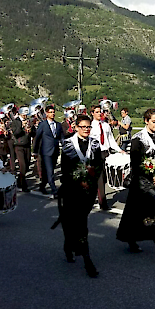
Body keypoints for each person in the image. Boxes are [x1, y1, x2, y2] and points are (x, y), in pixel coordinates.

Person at [116, 108, 155, 264]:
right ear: (146, 121)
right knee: (153, 214)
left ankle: (131, 238)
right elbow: (135, 163)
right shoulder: (138, 139)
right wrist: (150, 174)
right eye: (154, 121)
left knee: (137, 212)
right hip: (141, 182)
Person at [54, 114, 104, 277]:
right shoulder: (68, 144)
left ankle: (71, 245)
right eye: (82, 127)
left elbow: (98, 164)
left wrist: (91, 178)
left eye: (88, 127)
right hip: (71, 190)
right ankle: (87, 260)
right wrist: (78, 180)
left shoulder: (95, 144)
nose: (86, 130)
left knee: (80, 222)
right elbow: (66, 169)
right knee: (77, 225)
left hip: (88, 191)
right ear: (76, 127)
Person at [90, 105, 124, 210]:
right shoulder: (90, 126)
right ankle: (102, 203)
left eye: (100, 111)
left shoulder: (106, 125)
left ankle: (92, 196)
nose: (99, 113)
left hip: (106, 153)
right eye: (97, 112)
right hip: (95, 154)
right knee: (99, 178)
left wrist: (120, 150)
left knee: (104, 178)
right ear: (92, 113)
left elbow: (111, 141)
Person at [33, 105, 64, 198]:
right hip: (46, 151)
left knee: (49, 171)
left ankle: (42, 186)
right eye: (50, 112)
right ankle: (54, 191)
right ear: (46, 113)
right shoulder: (42, 125)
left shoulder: (58, 125)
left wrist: (66, 145)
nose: (52, 114)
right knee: (50, 172)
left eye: (53, 112)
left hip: (55, 151)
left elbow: (61, 137)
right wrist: (34, 151)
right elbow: (37, 138)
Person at [12, 107, 32, 192]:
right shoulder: (15, 121)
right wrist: (22, 126)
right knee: (22, 165)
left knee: (27, 164)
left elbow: (33, 133)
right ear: (20, 113)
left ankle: (19, 181)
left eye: (26, 114)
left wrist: (31, 129)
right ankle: (24, 185)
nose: (25, 116)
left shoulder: (28, 121)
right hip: (19, 145)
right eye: (24, 114)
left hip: (27, 145)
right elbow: (16, 133)